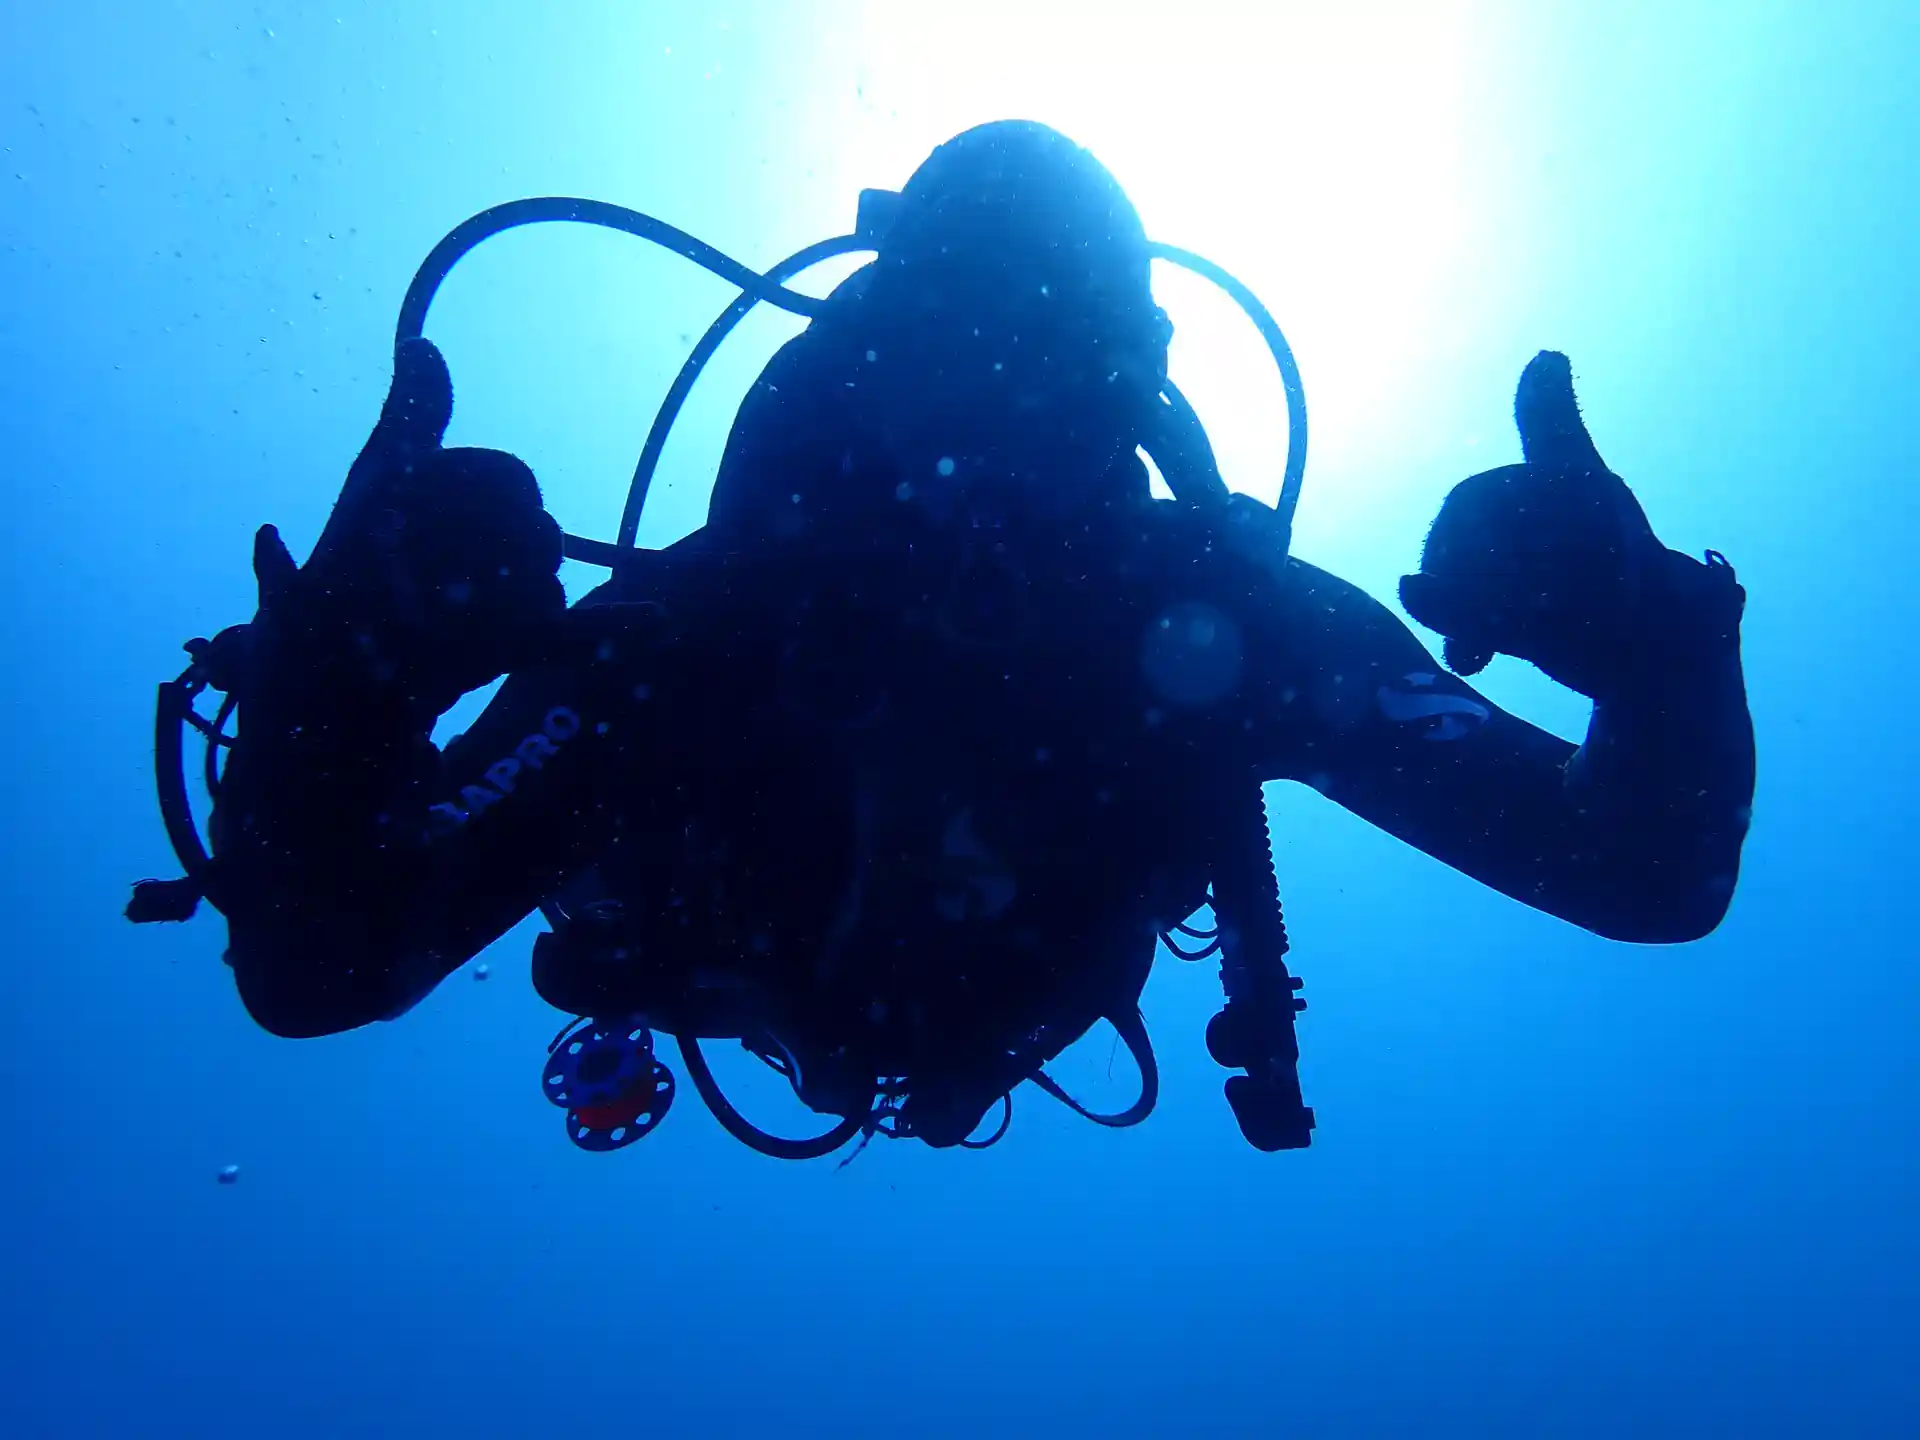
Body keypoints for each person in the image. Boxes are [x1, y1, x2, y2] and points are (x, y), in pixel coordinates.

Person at [166, 121, 1754, 1152]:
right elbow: (318, 958)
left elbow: (1641, 871)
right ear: (862, 355)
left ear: (1125, 401)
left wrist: (1656, 645)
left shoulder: (1216, 625)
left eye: (1044, 371)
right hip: (771, 941)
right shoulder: (701, 630)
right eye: (950, 354)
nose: (976, 446)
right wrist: (342, 687)